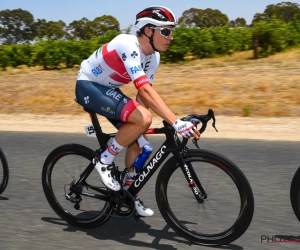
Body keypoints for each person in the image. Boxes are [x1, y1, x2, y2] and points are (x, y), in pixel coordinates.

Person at [75, 6, 200, 217]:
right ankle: (104, 160)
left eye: (172, 31)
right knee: (144, 119)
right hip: (88, 85)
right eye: (167, 31)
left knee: (143, 144)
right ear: (149, 31)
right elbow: (143, 88)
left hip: (108, 89)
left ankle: (128, 193)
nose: (172, 37)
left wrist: (146, 124)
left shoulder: (153, 58)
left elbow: (143, 97)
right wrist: (175, 122)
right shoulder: (127, 44)